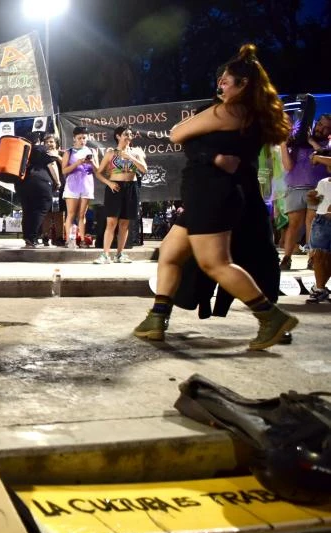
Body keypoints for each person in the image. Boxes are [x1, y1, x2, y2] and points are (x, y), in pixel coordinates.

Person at [134, 44, 297, 351]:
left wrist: (203, 145)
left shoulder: (229, 111)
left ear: (243, 84)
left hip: (213, 194)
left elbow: (176, 134)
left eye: (226, 80)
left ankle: (271, 318)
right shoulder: (245, 114)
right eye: (220, 79)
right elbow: (195, 143)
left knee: (215, 263)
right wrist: (210, 153)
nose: (220, 84)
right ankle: (156, 319)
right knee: (169, 252)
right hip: (205, 193)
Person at [278, 99, 329, 271]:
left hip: (316, 190)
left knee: (311, 223)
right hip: (295, 188)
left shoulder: (326, 147)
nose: (320, 128)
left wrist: (313, 143)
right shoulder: (298, 143)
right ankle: (286, 257)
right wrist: (284, 144)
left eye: (326, 127)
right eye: (320, 124)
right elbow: (288, 166)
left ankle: (312, 258)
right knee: (294, 223)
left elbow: (325, 157)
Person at [96, 126, 148, 263]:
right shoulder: (110, 153)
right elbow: (98, 172)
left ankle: (120, 254)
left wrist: (130, 156)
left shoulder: (136, 152)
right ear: (118, 136)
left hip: (132, 187)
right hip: (115, 187)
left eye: (130, 134)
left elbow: (144, 169)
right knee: (111, 222)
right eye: (126, 134)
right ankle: (105, 255)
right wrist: (109, 183)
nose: (129, 136)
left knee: (125, 223)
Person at [16, 133, 59, 249]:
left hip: (21, 184)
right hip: (40, 182)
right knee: (41, 208)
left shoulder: (21, 150)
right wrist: (57, 181)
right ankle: (32, 237)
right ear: (39, 140)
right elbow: (52, 165)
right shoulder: (41, 149)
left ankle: (28, 238)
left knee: (27, 210)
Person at [62, 126, 98, 249]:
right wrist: (77, 163)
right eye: (79, 138)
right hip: (72, 185)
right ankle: (69, 240)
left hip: (86, 184)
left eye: (84, 138)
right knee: (71, 214)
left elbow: (98, 170)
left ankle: (82, 240)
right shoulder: (69, 152)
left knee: (82, 215)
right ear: (74, 138)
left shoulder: (92, 151)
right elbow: (64, 170)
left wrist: (91, 162)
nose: (82, 140)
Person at [305, 155, 331, 303]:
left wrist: (316, 157)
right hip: (322, 221)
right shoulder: (323, 182)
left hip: (323, 221)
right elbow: (317, 200)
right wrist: (313, 197)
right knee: (319, 256)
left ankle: (320, 288)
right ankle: (320, 288)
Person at [40, 133, 66, 246]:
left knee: (59, 214)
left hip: (60, 186)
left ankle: (60, 237)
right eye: (47, 142)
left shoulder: (63, 153)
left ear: (56, 143)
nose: (49, 144)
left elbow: (67, 165)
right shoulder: (42, 154)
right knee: (47, 213)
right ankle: (45, 236)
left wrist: (57, 156)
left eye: (51, 142)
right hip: (46, 186)